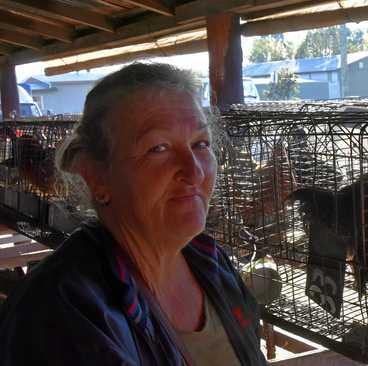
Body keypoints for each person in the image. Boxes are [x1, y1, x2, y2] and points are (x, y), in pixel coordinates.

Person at [0, 63, 267, 365]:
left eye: (200, 144)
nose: (194, 171)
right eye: (159, 148)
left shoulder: (211, 262)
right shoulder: (63, 311)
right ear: (97, 176)